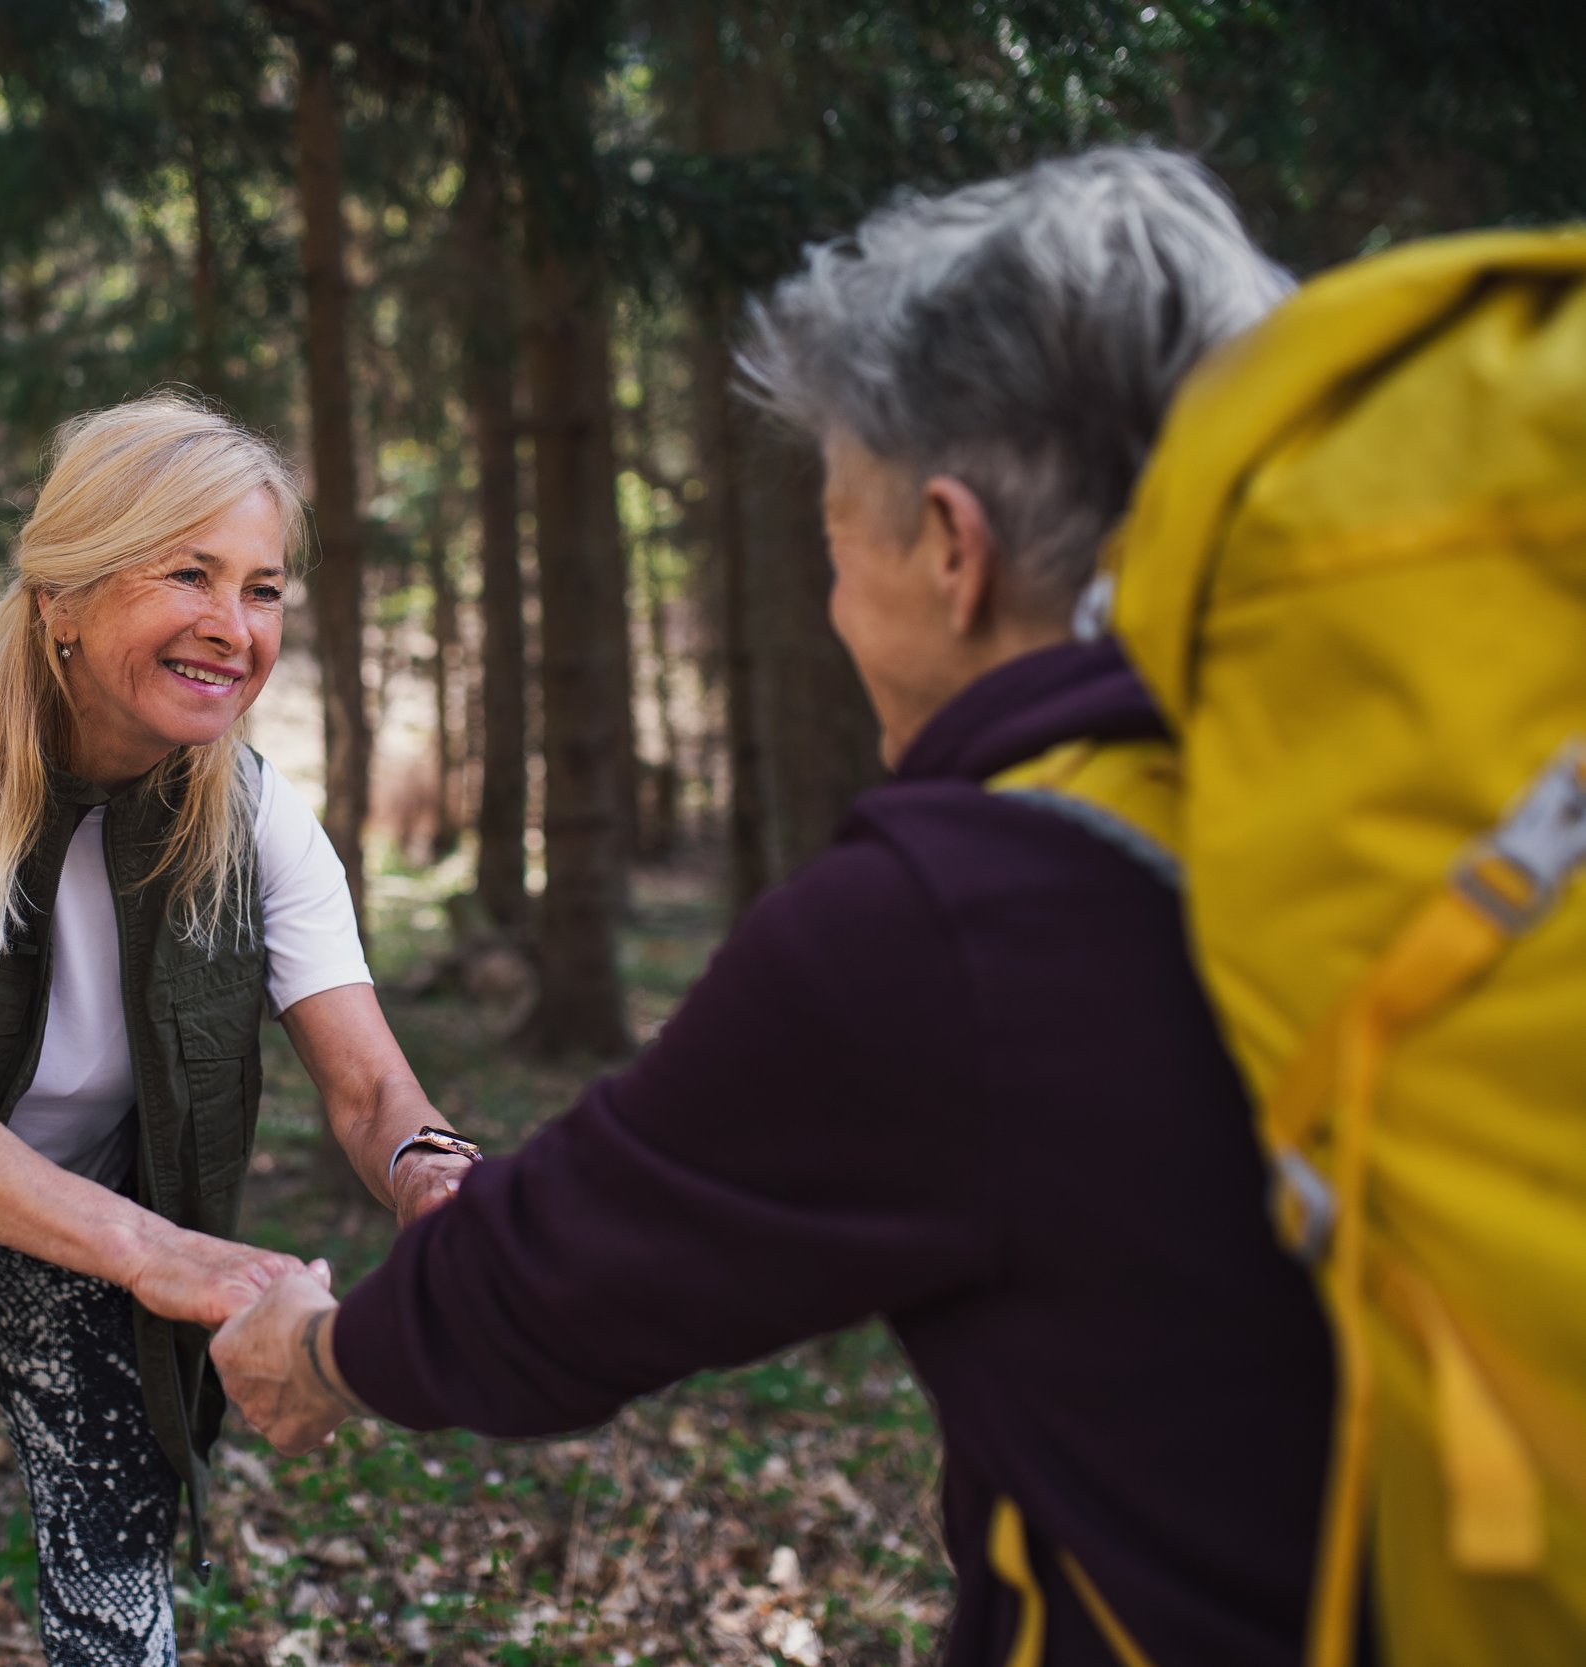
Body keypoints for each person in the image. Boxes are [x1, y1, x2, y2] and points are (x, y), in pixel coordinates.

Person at [214, 147, 1349, 1666]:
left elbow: (565, 1273)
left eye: (837, 537)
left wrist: (321, 1351)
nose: (830, 603)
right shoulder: (1384, 790)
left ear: (954, 547)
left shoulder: (959, 917)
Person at [0, 394, 474, 1667]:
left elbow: (369, 1088)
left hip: (79, 1217)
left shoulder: (258, 818)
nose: (233, 627)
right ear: (62, 593)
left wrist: (430, 1169)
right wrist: (159, 1249)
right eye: (188, 572)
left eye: (264, 588)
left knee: (123, 1632)